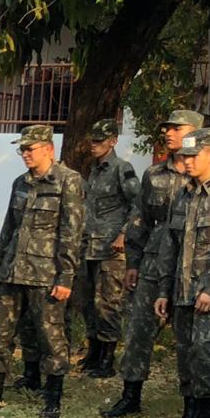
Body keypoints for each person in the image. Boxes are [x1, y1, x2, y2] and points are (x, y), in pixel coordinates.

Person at [0, 125, 86, 418]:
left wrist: (66, 277)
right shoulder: (20, 182)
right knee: (0, 334)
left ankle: (52, 398)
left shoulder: (69, 181)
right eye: (22, 149)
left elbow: (72, 232)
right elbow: (9, 228)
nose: (25, 154)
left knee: (51, 336)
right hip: (13, 272)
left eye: (30, 149)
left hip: (45, 273)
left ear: (48, 149)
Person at [103, 108, 206, 418]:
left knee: (190, 341)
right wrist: (133, 261)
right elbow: (140, 221)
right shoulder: (154, 175)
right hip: (152, 265)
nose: (169, 133)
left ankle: (192, 409)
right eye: (167, 128)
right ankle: (130, 395)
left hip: (193, 269)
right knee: (138, 332)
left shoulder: (204, 175)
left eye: (177, 128)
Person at [152, 127, 210, 418]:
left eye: (193, 155)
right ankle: (189, 415)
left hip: (208, 294)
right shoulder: (184, 194)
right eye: (184, 156)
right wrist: (164, 290)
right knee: (186, 354)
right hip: (182, 291)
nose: (186, 161)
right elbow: (170, 248)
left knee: (206, 354)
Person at [69, 119, 138, 378]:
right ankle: (94, 352)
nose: (94, 145)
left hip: (111, 250)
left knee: (107, 302)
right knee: (87, 301)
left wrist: (124, 234)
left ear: (113, 141)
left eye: (99, 140)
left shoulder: (122, 169)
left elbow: (137, 205)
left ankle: (108, 359)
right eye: (92, 140)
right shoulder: (94, 170)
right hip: (89, 245)